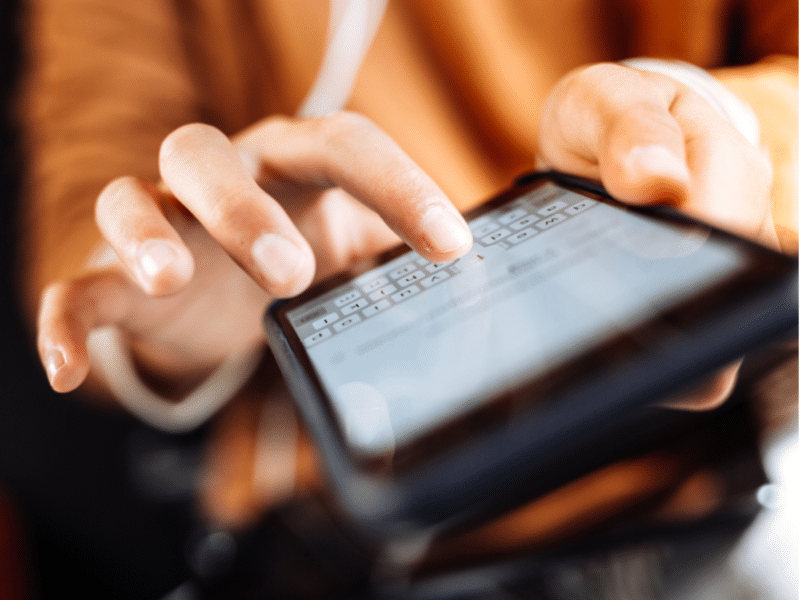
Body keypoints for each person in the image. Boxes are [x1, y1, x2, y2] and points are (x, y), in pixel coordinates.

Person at [18, 0, 797, 562]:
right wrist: (162, 284)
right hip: (325, 535)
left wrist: (716, 122)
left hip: (691, 487)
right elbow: (84, 195)